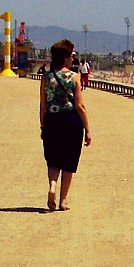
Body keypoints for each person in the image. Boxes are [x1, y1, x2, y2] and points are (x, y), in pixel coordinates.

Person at [39, 39, 92, 211]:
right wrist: (88, 130)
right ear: (66, 57)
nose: (72, 59)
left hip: (52, 121)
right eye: (71, 55)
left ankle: (52, 187)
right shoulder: (74, 77)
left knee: (53, 159)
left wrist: (43, 127)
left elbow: (43, 105)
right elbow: (80, 106)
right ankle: (63, 201)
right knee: (69, 161)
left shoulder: (46, 77)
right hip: (71, 121)